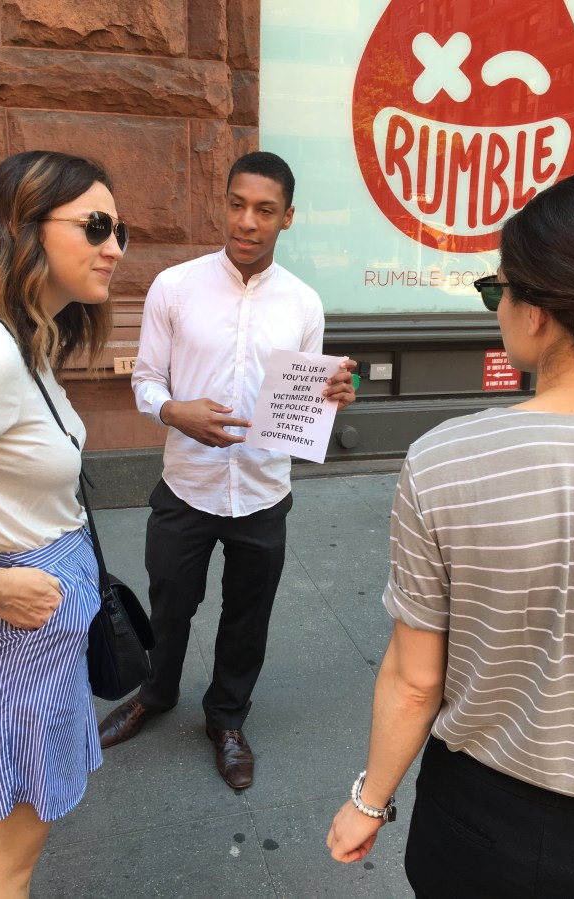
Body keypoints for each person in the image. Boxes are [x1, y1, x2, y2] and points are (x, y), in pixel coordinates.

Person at [327, 169, 574, 898]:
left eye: (497, 289)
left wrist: (368, 802)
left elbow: (415, 678)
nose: (497, 306)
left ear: (537, 311)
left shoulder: (447, 459)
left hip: (485, 814)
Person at [98, 151, 356, 789]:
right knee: (169, 606)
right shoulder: (175, 287)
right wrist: (173, 411)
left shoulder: (303, 303)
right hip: (187, 485)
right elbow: (146, 379)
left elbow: (305, 392)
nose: (247, 221)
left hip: (264, 492)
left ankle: (227, 719)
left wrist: (332, 396)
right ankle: (156, 694)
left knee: (248, 616)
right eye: (237, 205)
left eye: (264, 210)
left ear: (287, 218)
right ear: (225, 204)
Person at [0, 149, 128, 897]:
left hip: (32, 631)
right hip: (7, 635)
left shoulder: (25, 336)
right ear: (26, 226)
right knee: (0, 865)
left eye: (120, 230)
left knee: (14, 851)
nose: (115, 247)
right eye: (96, 225)